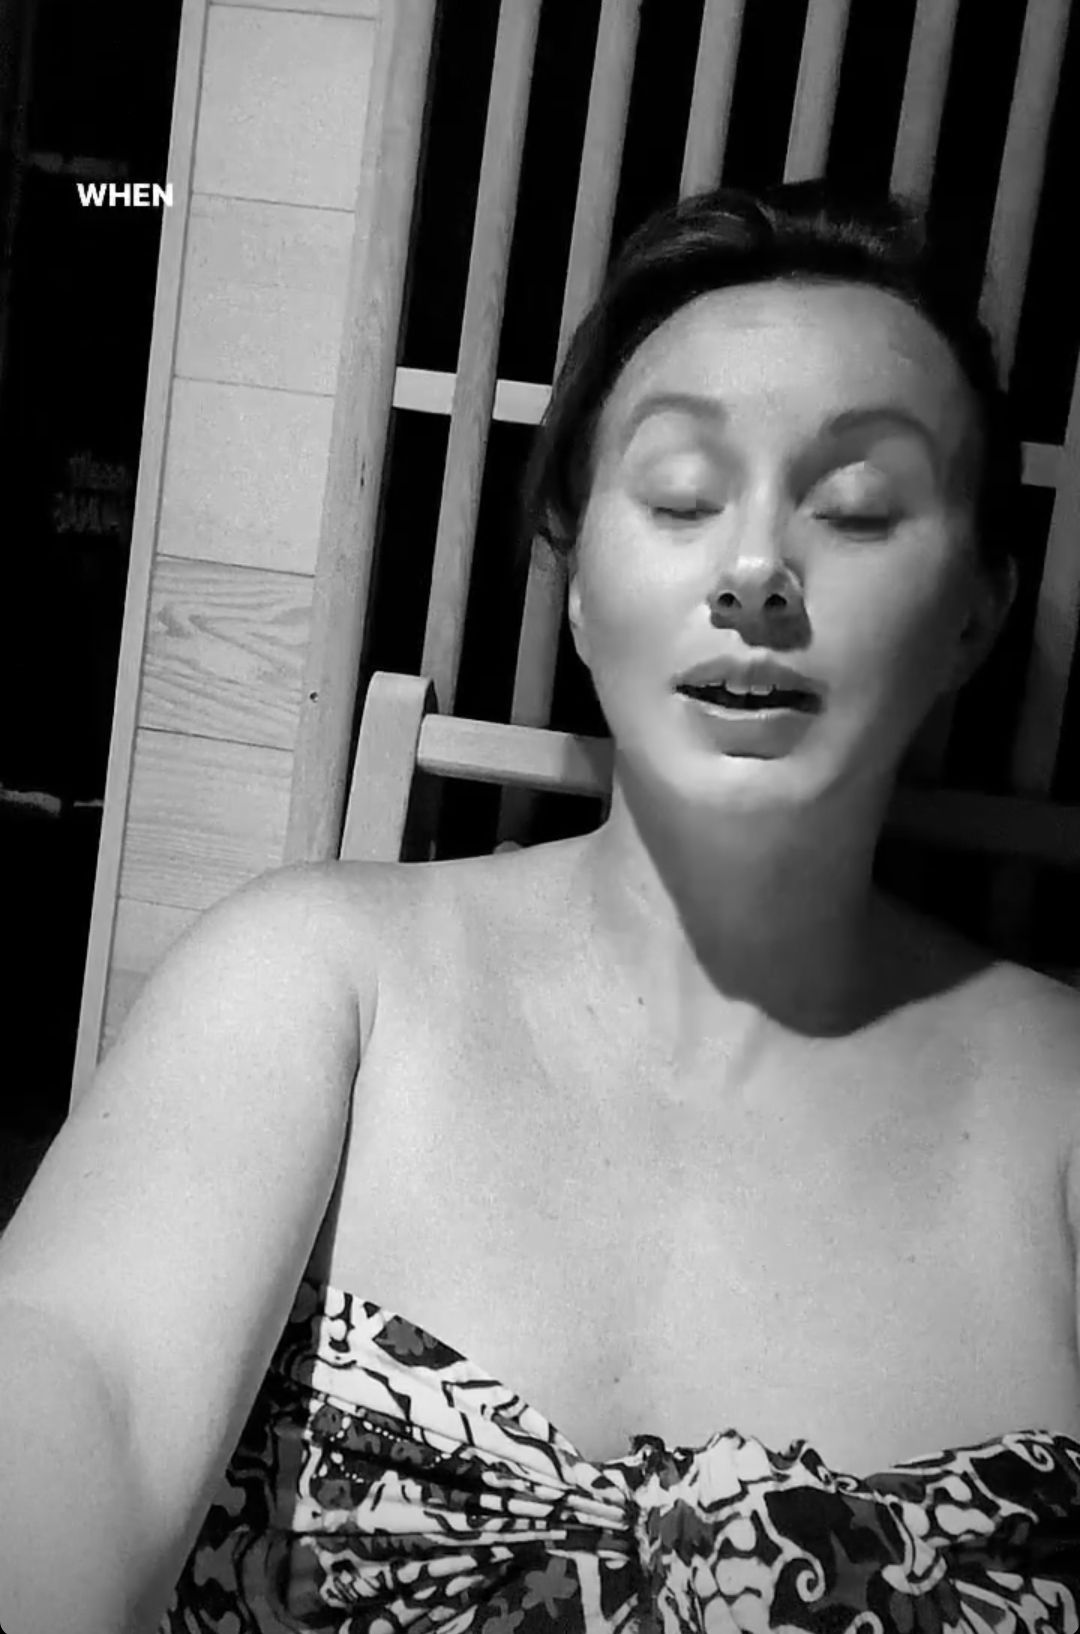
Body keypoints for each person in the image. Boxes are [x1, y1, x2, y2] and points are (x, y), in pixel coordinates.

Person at [1, 180, 1078, 1634]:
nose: (756, 573)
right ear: (574, 583)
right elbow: (81, 1380)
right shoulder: (319, 978)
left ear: (975, 613)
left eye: (859, 508)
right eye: (682, 497)